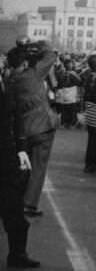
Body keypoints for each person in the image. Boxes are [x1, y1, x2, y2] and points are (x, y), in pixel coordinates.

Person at [7, 41, 60, 216]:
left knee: (23, 166)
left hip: (23, 129)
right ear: (25, 62)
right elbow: (50, 55)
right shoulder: (34, 74)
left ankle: (17, 199)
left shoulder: (10, 82)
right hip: (43, 126)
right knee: (38, 167)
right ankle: (29, 204)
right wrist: (37, 44)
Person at [0, 68, 38, 269]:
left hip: (7, 156)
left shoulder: (8, 85)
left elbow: (17, 118)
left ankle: (17, 253)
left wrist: (22, 149)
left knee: (14, 207)